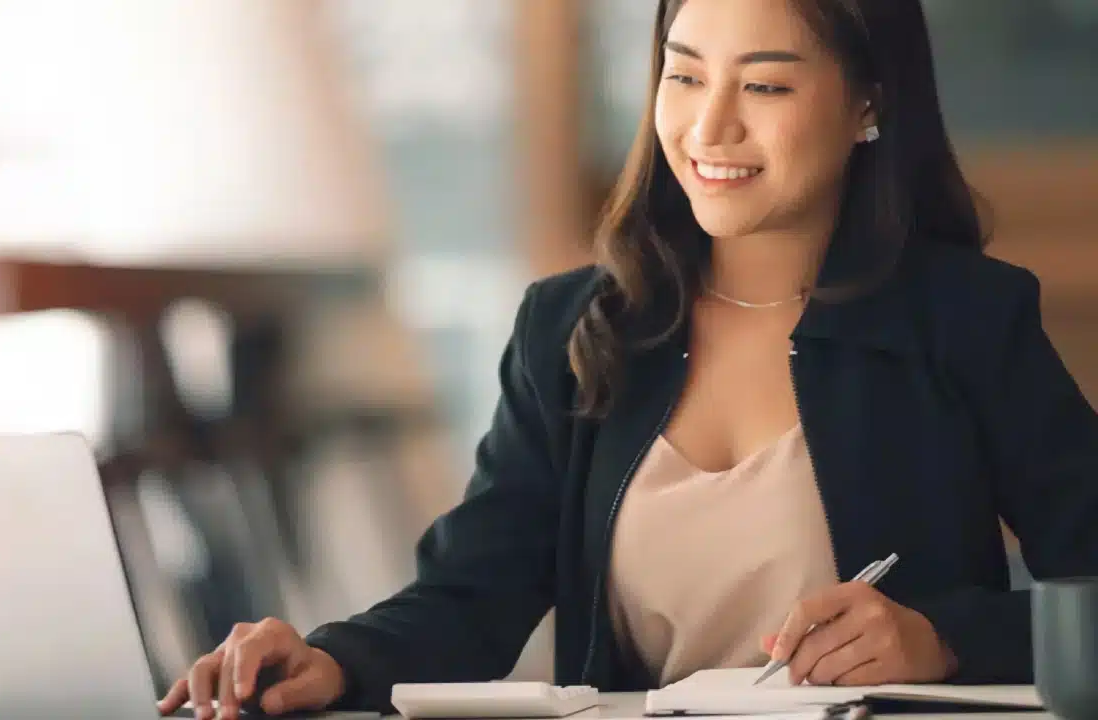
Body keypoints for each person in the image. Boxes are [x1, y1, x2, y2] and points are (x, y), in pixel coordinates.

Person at [159, 0, 1098, 717]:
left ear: (868, 104)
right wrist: (333, 661)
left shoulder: (966, 321)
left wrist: (942, 639)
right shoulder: (574, 328)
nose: (709, 128)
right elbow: (474, 592)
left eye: (765, 85)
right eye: (684, 76)